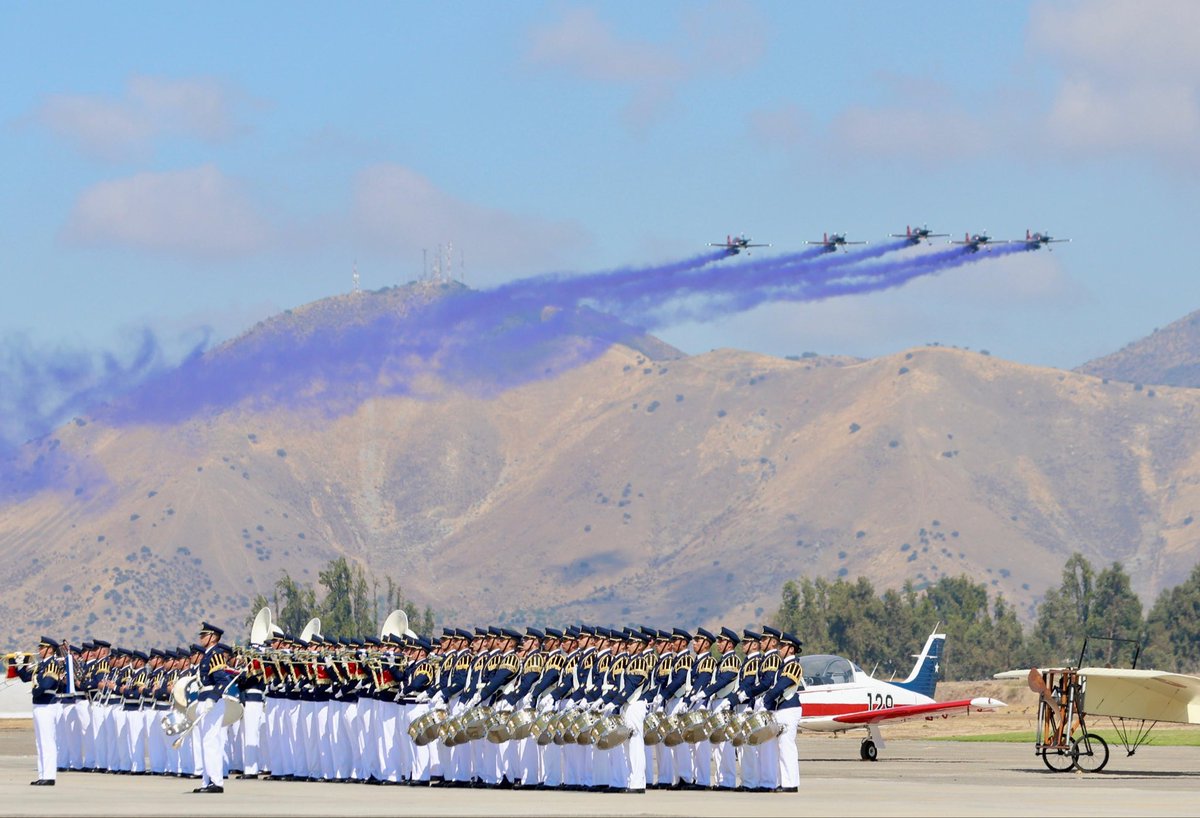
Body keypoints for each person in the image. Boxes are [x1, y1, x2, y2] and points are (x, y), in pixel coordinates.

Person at [193, 622, 234, 793]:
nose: (201, 638)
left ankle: (216, 782)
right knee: (205, 742)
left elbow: (223, 680)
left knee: (211, 741)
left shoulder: (216, 654)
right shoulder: (207, 655)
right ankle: (207, 781)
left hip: (212, 702)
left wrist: (212, 699)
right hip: (205, 699)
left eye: (204, 635)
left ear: (213, 637)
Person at [20, 636, 66, 786]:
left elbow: (47, 683)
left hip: (47, 706)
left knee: (47, 741)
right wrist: (19, 664)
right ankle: (43, 774)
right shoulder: (41, 665)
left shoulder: (51, 665)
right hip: (39, 706)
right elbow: (25, 677)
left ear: (50, 649)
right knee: (40, 742)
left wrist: (36, 690)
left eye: (42, 647)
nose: (39, 650)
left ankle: (49, 775)